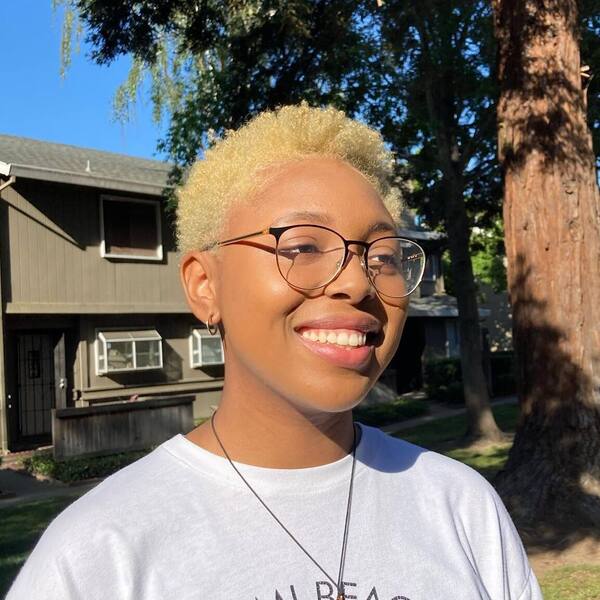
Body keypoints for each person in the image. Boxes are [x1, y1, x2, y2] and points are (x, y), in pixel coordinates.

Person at [7, 104, 542, 600]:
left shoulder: (462, 506)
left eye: (382, 256)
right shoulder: (100, 553)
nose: (358, 282)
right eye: (304, 247)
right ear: (204, 286)